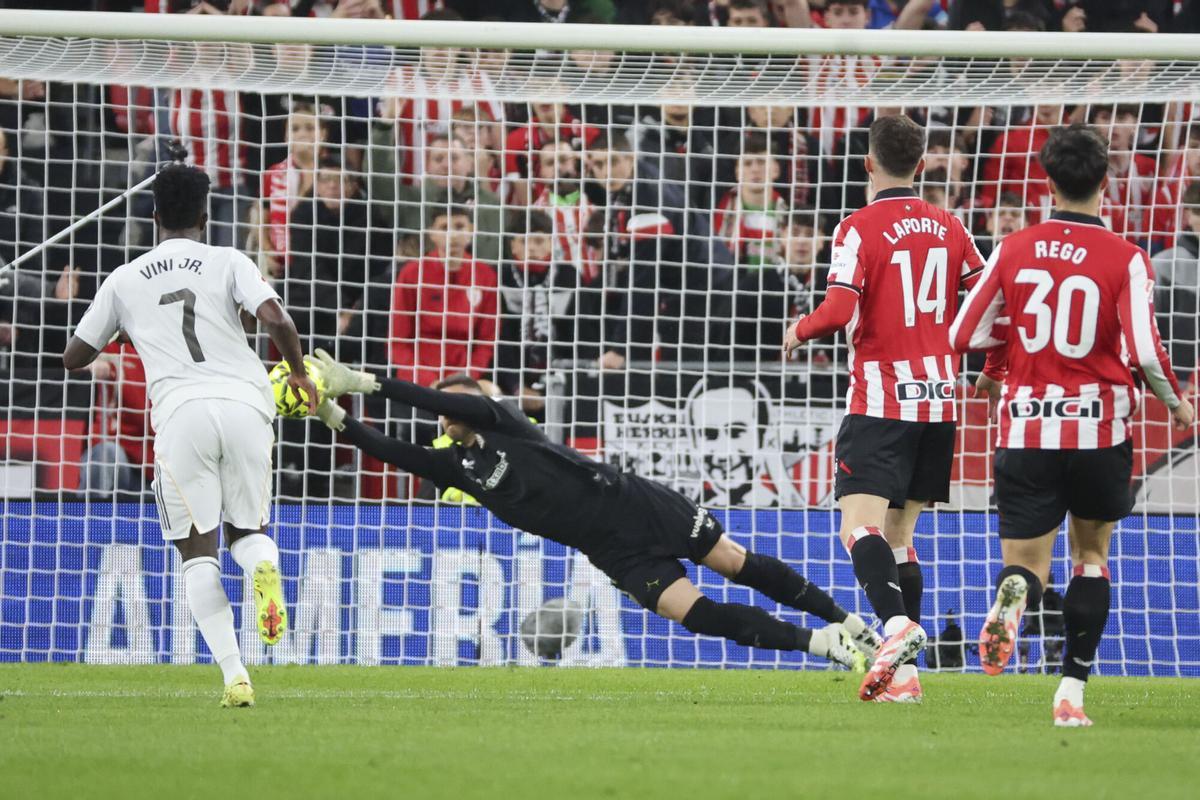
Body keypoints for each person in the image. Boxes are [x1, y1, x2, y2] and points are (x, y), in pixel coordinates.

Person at [307, 350, 885, 670]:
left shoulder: (505, 420)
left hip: (633, 503)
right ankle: (819, 644)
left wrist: (363, 381)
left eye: (456, 403)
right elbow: (389, 451)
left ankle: (847, 621)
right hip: (611, 549)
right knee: (694, 613)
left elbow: (437, 398)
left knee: (733, 560)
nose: (444, 415)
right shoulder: (457, 468)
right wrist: (333, 415)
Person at [949, 123, 1194, 727]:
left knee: (1027, 565)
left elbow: (964, 335)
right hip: (1096, 431)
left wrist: (1004, 360)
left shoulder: (1014, 247)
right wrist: (1179, 404)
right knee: (1090, 558)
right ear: (1106, 182)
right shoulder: (1128, 257)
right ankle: (1070, 696)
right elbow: (1142, 349)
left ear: (1048, 180)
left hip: (1026, 428)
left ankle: (1013, 600)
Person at [62, 164, 316, 708]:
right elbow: (276, 318)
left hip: (182, 414)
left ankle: (235, 677)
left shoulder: (124, 278)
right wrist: (295, 372)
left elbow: (75, 357)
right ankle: (263, 567)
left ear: (153, 216)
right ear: (206, 214)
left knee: (197, 554)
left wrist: (125, 324)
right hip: (248, 404)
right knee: (247, 531)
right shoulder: (230, 260)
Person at [784, 114, 986, 703]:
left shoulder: (857, 227)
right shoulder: (950, 225)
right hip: (941, 400)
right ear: (920, 166)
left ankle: (898, 629)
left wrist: (800, 329)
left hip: (882, 399)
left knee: (857, 529)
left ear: (867, 163)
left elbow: (840, 308)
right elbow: (984, 299)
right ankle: (907, 679)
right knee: (900, 540)